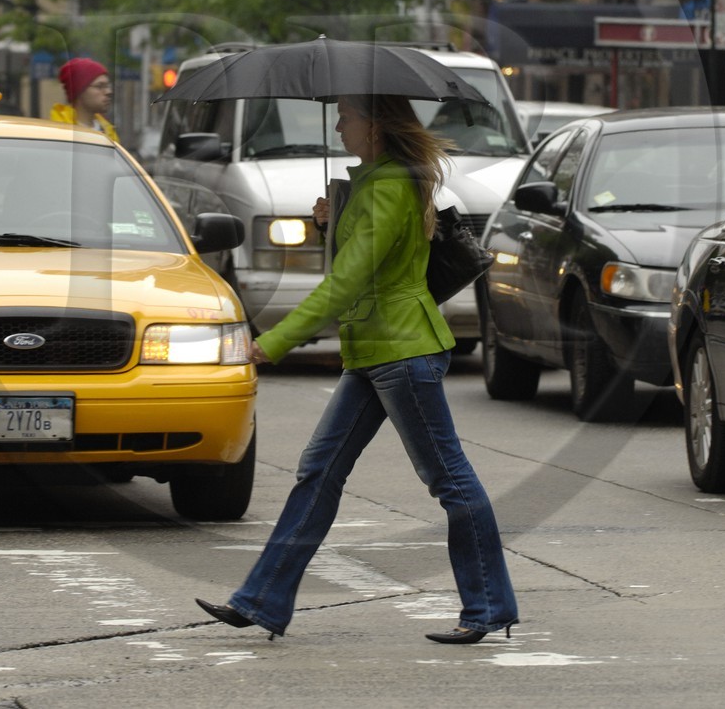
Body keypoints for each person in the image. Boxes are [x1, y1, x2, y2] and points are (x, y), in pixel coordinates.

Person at [195, 94, 518, 644]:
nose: (339, 124)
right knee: (318, 472)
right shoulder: (371, 182)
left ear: (375, 126)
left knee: (448, 478)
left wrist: (273, 341)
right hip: (373, 349)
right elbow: (364, 267)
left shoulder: (390, 186)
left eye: (348, 116)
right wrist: (329, 225)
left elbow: (347, 282)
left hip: (401, 350)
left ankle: (488, 605)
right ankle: (262, 600)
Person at [49, 57, 118, 143]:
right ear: (79, 91)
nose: (108, 91)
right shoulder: (58, 133)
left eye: (108, 86)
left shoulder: (109, 131)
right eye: (99, 86)